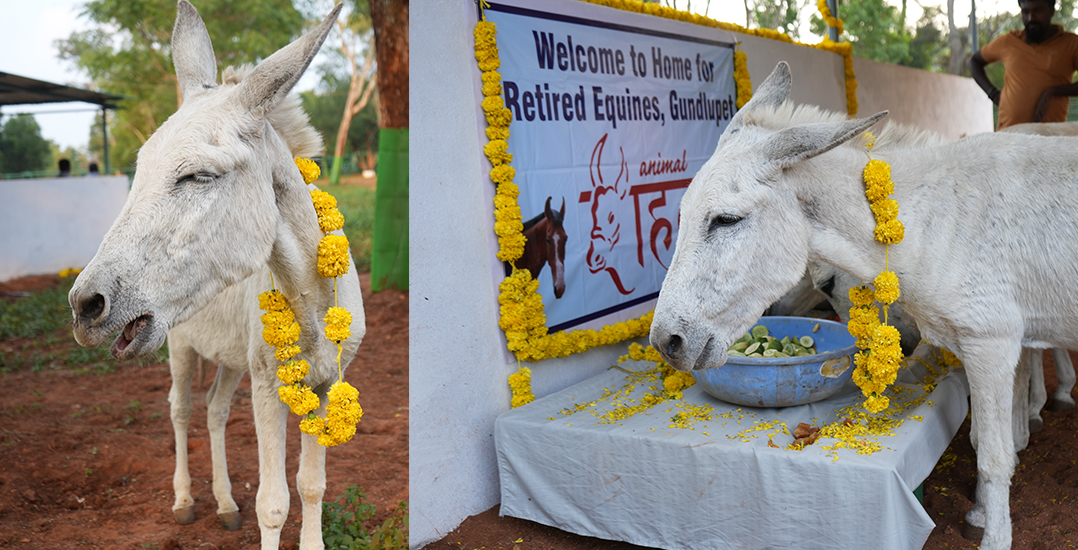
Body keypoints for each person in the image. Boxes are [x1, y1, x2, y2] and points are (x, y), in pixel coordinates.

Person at [969, 0, 1078, 129]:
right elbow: (974, 61)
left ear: (1052, 10)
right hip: (1008, 136)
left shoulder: (1072, 44)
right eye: (1026, 12)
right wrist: (993, 94)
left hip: (1050, 140)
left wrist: (1053, 91)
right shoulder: (1008, 41)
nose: (1031, 18)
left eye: (1037, 10)